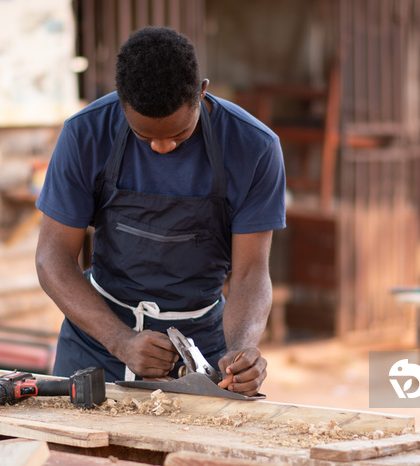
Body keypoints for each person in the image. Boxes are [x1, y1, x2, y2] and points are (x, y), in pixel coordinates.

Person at [35, 26, 285, 396]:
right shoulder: (84, 134)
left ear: (202, 91)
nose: (162, 147)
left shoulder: (254, 148)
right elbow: (52, 258)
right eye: (144, 136)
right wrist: (119, 339)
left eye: (180, 134)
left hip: (201, 351)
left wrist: (241, 350)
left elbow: (250, 273)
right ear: (122, 102)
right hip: (96, 341)